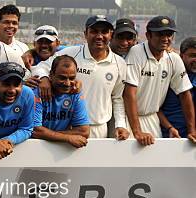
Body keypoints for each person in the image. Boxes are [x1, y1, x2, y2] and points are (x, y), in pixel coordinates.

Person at [32, 15, 129, 140]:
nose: (99, 36)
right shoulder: (71, 53)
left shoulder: (119, 63)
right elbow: (40, 67)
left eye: (104, 32)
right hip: (69, 127)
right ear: (85, 34)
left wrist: (120, 125)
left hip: (99, 127)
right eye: (94, 31)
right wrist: (44, 78)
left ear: (111, 34)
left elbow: (117, 98)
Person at [123, 16, 195, 145]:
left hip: (152, 118)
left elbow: (185, 94)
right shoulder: (136, 52)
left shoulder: (173, 58)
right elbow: (129, 93)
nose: (165, 38)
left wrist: (192, 130)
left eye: (169, 34)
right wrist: (137, 131)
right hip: (128, 118)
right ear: (148, 35)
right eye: (160, 34)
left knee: (153, 163)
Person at [32, 55, 90, 148]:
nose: (67, 83)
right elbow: (35, 130)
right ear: (51, 75)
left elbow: (83, 131)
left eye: (71, 78)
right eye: (62, 78)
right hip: (35, 148)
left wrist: (48, 134)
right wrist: (67, 137)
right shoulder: (37, 92)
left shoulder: (75, 93)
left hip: (61, 150)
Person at [159, 37, 196, 139]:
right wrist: (169, 128)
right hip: (171, 136)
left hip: (192, 137)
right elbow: (155, 108)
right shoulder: (167, 74)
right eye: (192, 56)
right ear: (181, 56)